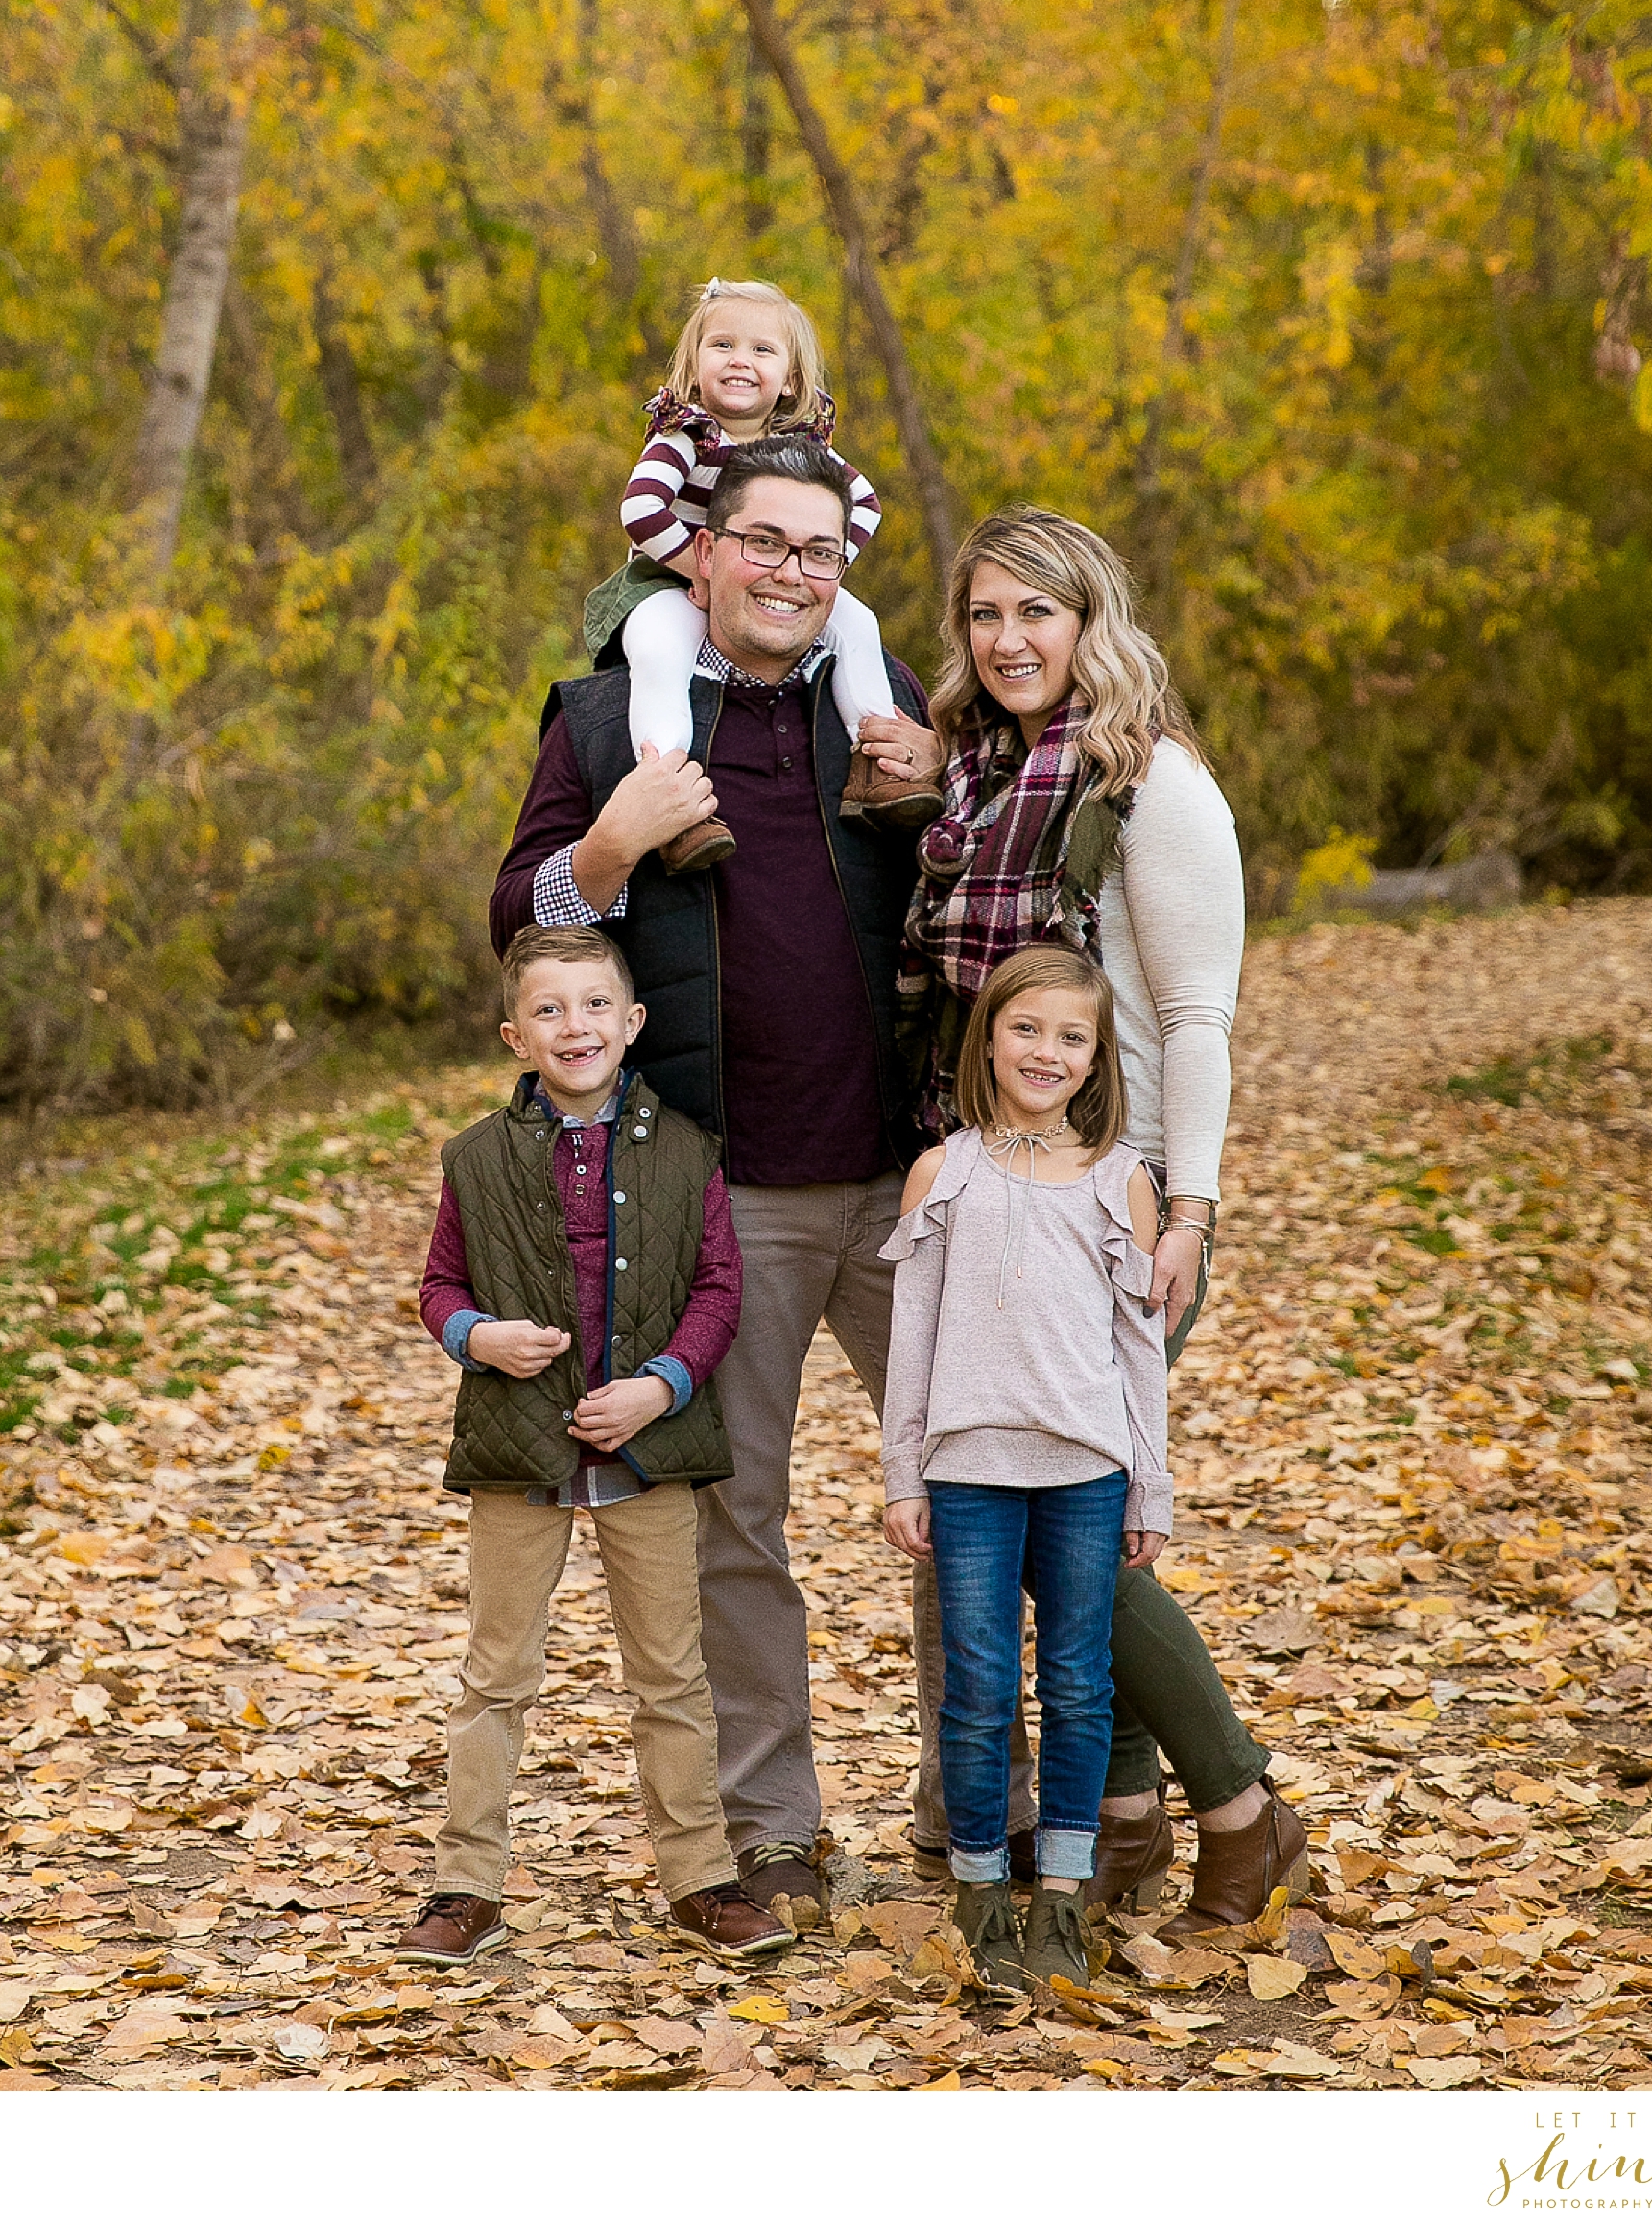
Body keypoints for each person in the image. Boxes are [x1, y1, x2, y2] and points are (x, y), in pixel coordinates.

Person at [490, 434, 952, 1929]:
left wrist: (938, 788)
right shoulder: (614, 714)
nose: (789, 573)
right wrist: (612, 846)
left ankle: (977, 1811)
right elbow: (521, 915)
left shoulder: (884, 718)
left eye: (818, 552)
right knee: (734, 1521)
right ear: (700, 550)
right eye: (762, 542)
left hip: (913, 1176)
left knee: (967, 1494)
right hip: (723, 1187)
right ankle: (774, 1835)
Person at [898, 505, 1309, 1929]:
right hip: (1001, 1191)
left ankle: (1244, 1806)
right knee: (1056, 1515)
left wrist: (1188, 1205)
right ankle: (1120, 1818)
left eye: (1038, 613)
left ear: (1093, 622)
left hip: (1123, 1204)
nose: (1009, 640)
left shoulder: (1157, 787)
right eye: (986, 615)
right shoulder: (984, 782)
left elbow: (1197, 1017)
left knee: (1076, 1523)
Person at [405, 921, 793, 1970]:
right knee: (496, 1674)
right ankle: (465, 1883)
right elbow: (438, 1284)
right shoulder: (474, 1158)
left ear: (631, 1022)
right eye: (546, 1009)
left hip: (647, 1449)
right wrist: (474, 1335)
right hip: (516, 1444)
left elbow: (719, 1286)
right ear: (512, 1034)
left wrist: (660, 1386)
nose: (572, 1024)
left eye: (591, 1005)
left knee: (670, 1674)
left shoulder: (685, 1150)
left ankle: (701, 1877)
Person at [882, 946, 1172, 2001]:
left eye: (1070, 1036)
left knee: (1079, 1682)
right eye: (1025, 1029)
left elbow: (1138, 1347)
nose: (1044, 1051)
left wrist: (1151, 1481)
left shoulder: (1118, 1179)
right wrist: (901, 1475)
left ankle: (1060, 1885)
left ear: (1095, 1058)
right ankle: (974, 1886)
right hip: (967, 1468)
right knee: (976, 1686)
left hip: (1085, 1470)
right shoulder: (940, 1172)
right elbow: (908, 1339)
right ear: (988, 1038)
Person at [583, 277, 939, 873]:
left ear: (792, 379)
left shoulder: (798, 448)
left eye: (762, 351)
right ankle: (675, 802)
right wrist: (700, 569)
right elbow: (640, 511)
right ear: (695, 366)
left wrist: (818, 568)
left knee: (860, 626)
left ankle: (877, 765)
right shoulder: (684, 436)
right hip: (667, 578)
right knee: (658, 653)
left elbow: (867, 504)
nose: (740, 361)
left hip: (762, 577)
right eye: (722, 345)